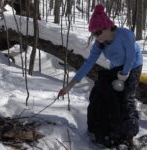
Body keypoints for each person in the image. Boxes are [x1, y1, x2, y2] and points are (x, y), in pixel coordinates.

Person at [58, 4, 143, 148]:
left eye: (98, 33)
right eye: (94, 34)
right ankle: (105, 131)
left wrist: (125, 74)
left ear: (108, 27)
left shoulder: (125, 35)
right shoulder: (99, 44)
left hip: (133, 65)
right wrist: (69, 86)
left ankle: (129, 136)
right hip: (116, 68)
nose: (97, 37)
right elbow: (88, 63)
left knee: (126, 98)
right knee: (105, 95)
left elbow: (130, 56)